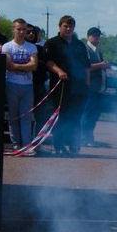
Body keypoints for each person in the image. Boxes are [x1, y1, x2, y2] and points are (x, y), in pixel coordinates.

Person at [43, 15, 91, 156]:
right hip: (61, 87)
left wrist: (87, 84)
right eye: (66, 26)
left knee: (76, 117)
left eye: (71, 26)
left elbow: (86, 66)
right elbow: (48, 62)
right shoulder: (52, 43)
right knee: (61, 117)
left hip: (79, 87)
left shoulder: (79, 44)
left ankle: (74, 146)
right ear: (60, 26)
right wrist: (59, 71)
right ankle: (59, 146)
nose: (68, 29)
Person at [2, 18, 38, 155]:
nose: (22, 32)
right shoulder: (7, 47)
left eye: (24, 30)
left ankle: (27, 145)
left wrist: (17, 66)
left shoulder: (31, 47)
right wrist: (25, 66)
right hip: (11, 84)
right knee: (13, 116)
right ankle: (16, 144)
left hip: (27, 85)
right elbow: (8, 65)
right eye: (19, 29)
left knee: (26, 116)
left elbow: (33, 66)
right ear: (13, 30)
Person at [80, 27, 110, 146]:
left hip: (98, 88)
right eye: (94, 35)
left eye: (98, 35)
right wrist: (101, 65)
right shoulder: (85, 49)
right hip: (90, 87)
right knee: (87, 114)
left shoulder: (98, 50)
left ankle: (89, 138)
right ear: (88, 36)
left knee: (94, 115)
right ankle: (84, 139)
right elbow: (85, 66)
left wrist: (104, 66)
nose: (97, 37)